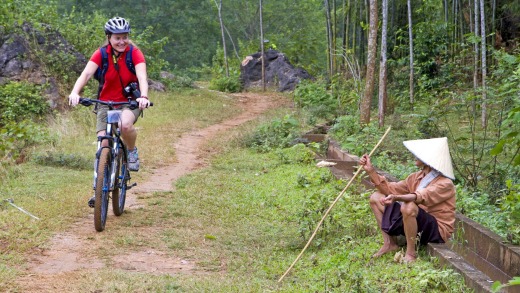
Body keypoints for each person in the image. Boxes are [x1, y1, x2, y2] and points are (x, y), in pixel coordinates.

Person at [68, 17, 150, 207]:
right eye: (117, 38)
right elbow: (86, 74)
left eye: (125, 37)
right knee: (102, 141)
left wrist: (143, 96)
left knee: (125, 125)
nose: (122, 41)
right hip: (105, 103)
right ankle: (98, 189)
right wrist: (75, 92)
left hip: (129, 101)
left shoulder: (134, 53)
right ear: (109, 38)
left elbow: (142, 77)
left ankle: (131, 151)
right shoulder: (101, 54)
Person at [359, 137, 456, 263]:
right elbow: (390, 189)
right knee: (376, 198)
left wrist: (397, 198)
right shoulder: (415, 177)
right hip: (416, 220)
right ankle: (389, 244)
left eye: (419, 154)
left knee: (408, 205)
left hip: (436, 230)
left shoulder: (445, 183)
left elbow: (419, 196)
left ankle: (410, 254)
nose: (414, 156)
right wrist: (371, 171)